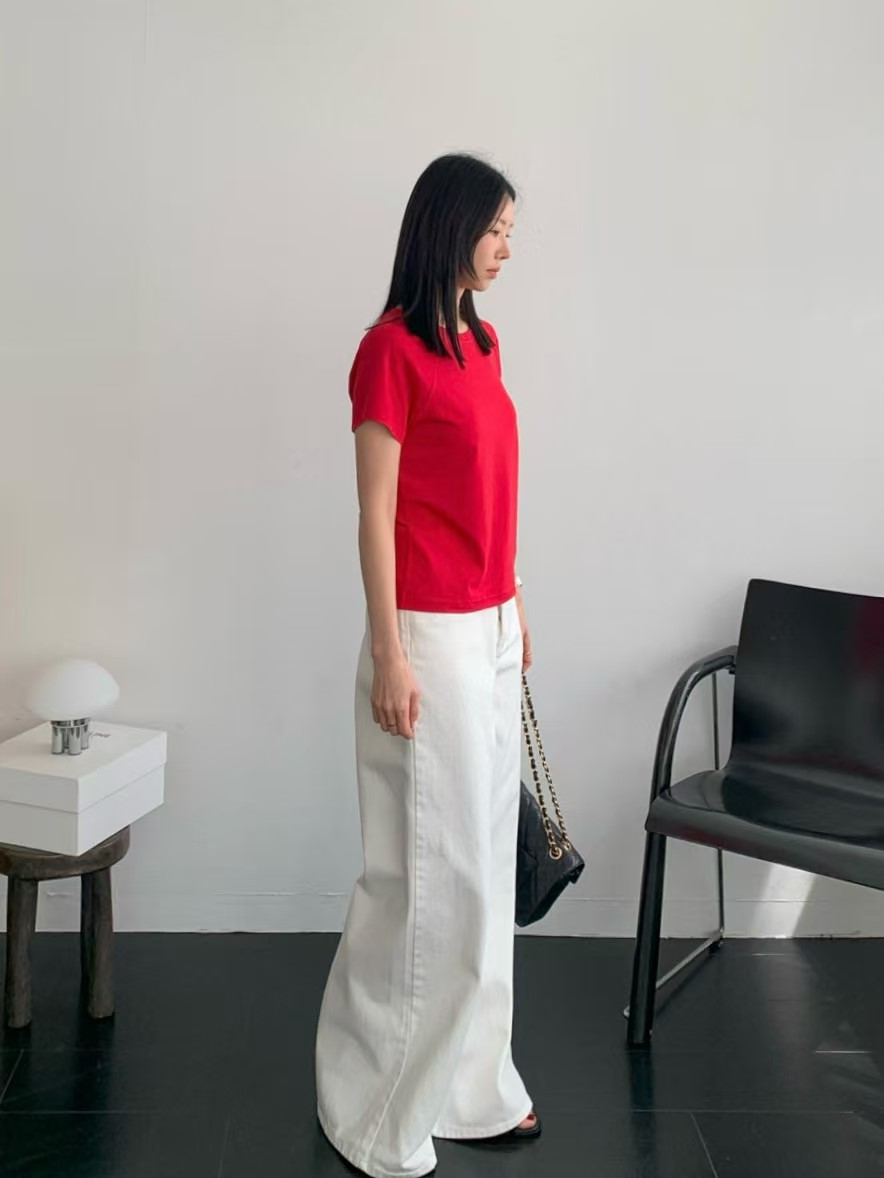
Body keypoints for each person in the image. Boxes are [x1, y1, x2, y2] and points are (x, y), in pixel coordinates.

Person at [315, 153, 539, 1178]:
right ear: (448, 227)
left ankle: (469, 1085)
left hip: (488, 627)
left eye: (510, 232)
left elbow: (488, 488)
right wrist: (388, 651)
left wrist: (515, 599)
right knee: (428, 879)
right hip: (428, 636)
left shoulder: (481, 345)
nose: (505, 249)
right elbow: (374, 514)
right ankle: (374, 1113)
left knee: (483, 870)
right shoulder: (387, 352)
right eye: (494, 229)